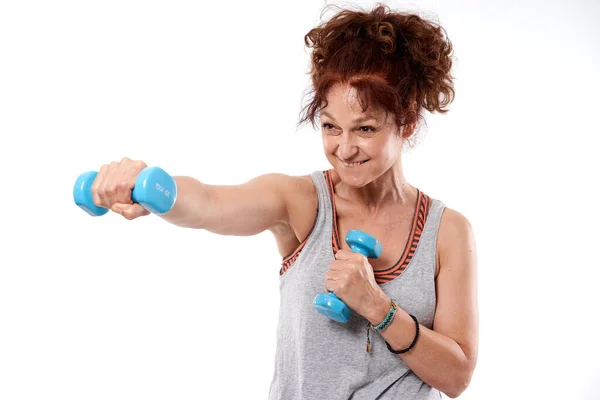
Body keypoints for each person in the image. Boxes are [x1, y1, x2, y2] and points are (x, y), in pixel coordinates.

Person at [90, 3, 478, 399]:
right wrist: (151, 190)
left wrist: (378, 307)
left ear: (408, 121)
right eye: (330, 127)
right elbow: (209, 203)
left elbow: (456, 375)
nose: (345, 149)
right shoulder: (301, 203)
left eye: (365, 128)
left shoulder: (446, 232)